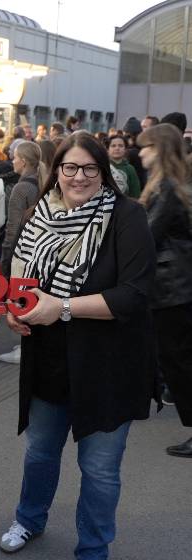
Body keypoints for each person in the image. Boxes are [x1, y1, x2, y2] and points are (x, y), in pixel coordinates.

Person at [0, 132, 156, 559]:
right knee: (40, 453)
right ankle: (29, 519)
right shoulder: (39, 214)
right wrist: (16, 306)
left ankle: (93, 547)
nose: (79, 177)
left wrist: (62, 306)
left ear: (103, 172)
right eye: (70, 167)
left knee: (100, 469)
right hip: (49, 360)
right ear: (57, 171)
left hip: (108, 365)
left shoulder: (126, 217)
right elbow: (23, 276)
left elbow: (135, 295)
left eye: (90, 168)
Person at [137, 123, 192, 457]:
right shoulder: (171, 184)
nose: (140, 151)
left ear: (159, 149)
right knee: (178, 360)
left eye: (146, 146)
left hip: (173, 289)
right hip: (176, 286)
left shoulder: (166, 188)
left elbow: (149, 236)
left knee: (180, 362)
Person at [0, 141, 45, 366]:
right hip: (40, 252)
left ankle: (25, 348)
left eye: (15, 156)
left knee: (20, 303)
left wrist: (6, 260)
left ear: (24, 161)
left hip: (22, 254)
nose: (12, 159)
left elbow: (14, 228)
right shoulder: (42, 182)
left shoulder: (21, 188)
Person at [107, 134, 141, 199]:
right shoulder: (102, 167)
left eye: (121, 146)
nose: (117, 148)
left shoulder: (130, 169)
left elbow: (135, 193)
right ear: (108, 149)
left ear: (125, 149)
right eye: (113, 146)